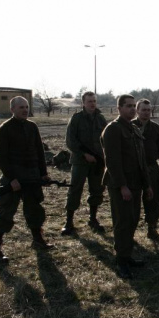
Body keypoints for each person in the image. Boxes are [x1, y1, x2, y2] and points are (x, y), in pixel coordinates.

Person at [0, 96, 54, 263]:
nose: (25, 110)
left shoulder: (32, 127)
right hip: (14, 176)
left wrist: (43, 173)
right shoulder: (5, 129)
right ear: (12, 109)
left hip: (32, 175)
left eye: (26, 107)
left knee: (35, 209)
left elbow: (39, 152)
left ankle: (38, 240)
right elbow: (1, 158)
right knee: (6, 212)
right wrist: (11, 179)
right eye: (21, 107)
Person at [101, 94, 153, 279]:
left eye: (133, 106)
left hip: (136, 184)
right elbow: (112, 162)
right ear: (119, 108)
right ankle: (121, 261)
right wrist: (122, 186)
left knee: (132, 221)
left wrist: (147, 185)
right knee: (122, 223)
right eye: (128, 106)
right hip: (121, 185)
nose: (132, 109)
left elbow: (141, 160)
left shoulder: (133, 129)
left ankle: (127, 255)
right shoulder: (113, 129)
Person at [61, 91, 108, 235]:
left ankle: (93, 219)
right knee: (75, 190)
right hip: (80, 161)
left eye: (94, 101)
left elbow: (106, 140)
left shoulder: (101, 119)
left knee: (97, 190)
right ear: (83, 103)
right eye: (89, 101)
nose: (92, 104)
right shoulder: (76, 119)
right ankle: (69, 222)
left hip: (97, 162)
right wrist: (84, 154)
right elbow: (70, 141)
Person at [132, 99, 159, 240]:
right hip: (134, 169)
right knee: (133, 202)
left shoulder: (155, 128)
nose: (146, 112)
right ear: (137, 110)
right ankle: (130, 230)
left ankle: (152, 227)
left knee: (153, 200)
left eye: (148, 110)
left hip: (152, 168)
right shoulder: (130, 126)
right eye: (143, 110)